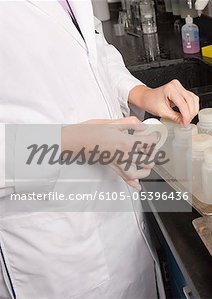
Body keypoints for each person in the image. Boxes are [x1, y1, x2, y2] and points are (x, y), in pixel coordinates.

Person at [0, 0, 199, 298]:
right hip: (53, 246)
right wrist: (74, 141)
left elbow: (91, 47)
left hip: (119, 214)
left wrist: (139, 92)